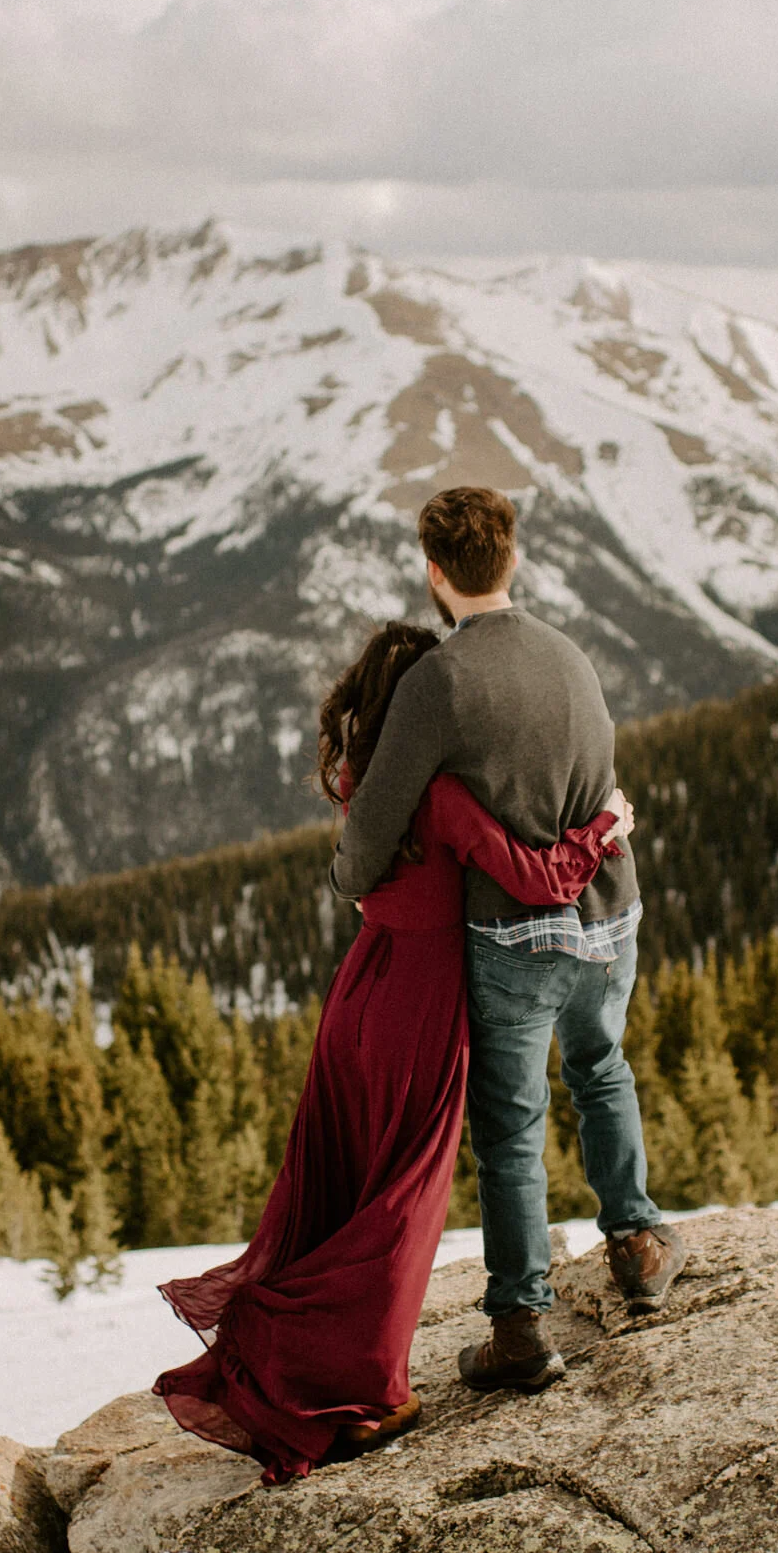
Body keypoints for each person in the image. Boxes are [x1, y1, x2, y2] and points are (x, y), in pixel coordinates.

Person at [153, 619, 628, 1483]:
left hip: (361, 992)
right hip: (422, 1003)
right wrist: (604, 826)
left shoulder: (360, 783)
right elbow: (540, 879)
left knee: (344, 1186)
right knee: (400, 1203)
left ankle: (303, 1360)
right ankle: (366, 1395)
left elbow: (358, 873)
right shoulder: (443, 795)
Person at [330, 485, 685, 1396]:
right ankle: (638, 1243)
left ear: (435, 572)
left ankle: (520, 1325)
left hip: (516, 932)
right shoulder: (570, 656)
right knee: (601, 1068)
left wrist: (350, 877)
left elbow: (373, 826)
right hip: (610, 912)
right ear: (513, 559)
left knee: (512, 1124)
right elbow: (601, 787)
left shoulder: (437, 681)